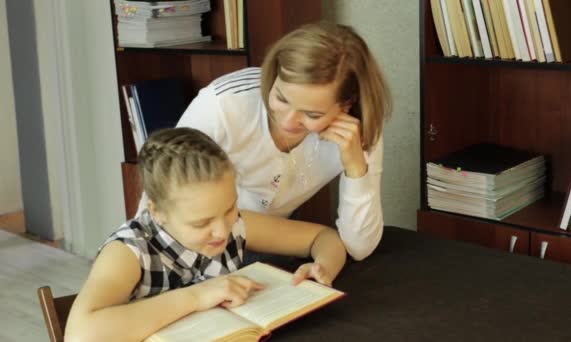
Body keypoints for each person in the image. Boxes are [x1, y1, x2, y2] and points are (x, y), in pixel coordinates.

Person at [65, 127, 346, 341]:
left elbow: (323, 238)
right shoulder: (129, 251)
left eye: (229, 208)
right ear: (157, 211)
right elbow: (80, 334)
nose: (222, 230)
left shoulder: (235, 224)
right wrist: (196, 297)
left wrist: (323, 268)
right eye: (201, 223)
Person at [173, 21, 392, 261]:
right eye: (281, 98)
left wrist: (356, 168)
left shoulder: (358, 130)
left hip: (274, 242)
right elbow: (159, 207)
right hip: (196, 245)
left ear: (347, 105)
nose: (288, 121)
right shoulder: (224, 104)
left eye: (312, 114)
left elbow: (359, 247)